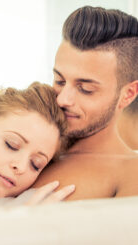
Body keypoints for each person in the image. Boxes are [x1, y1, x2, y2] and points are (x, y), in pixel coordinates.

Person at [32, 6, 138, 200]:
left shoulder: (131, 173)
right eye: (60, 81)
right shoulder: (22, 147)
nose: (62, 99)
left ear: (128, 94)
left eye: (85, 89)